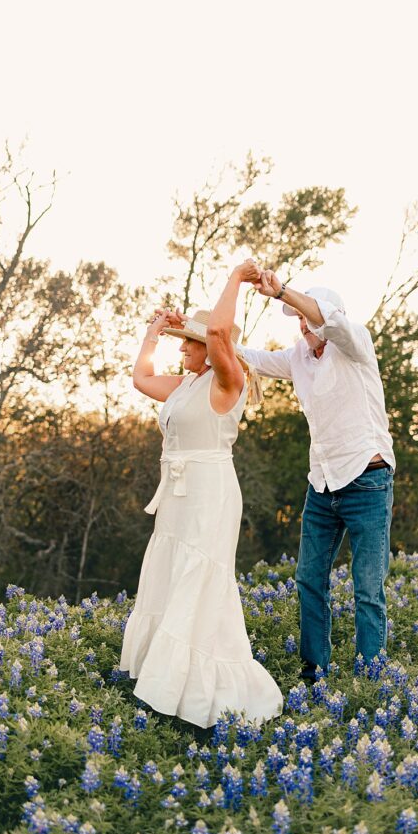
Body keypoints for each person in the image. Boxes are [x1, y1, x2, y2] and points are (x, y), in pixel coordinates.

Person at [120, 260, 283, 728]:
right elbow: (141, 379)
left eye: (188, 343)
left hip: (210, 492)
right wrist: (154, 331)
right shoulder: (186, 384)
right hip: (176, 494)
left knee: (200, 578)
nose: (184, 350)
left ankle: (196, 691)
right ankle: (166, 679)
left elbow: (218, 334)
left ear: (208, 349)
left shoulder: (226, 380)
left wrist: (235, 278)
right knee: (172, 574)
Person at [241, 270, 395, 681]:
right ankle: (314, 672)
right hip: (323, 485)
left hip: (367, 478)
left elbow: (327, 319)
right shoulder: (299, 357)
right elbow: (251, 357)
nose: (304, 326)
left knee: (367, 588)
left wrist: (282, 292)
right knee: (309, 578)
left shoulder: (354, 343)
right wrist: (201, 331)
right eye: (299, 320)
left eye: (309, 318)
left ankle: (370, 680)